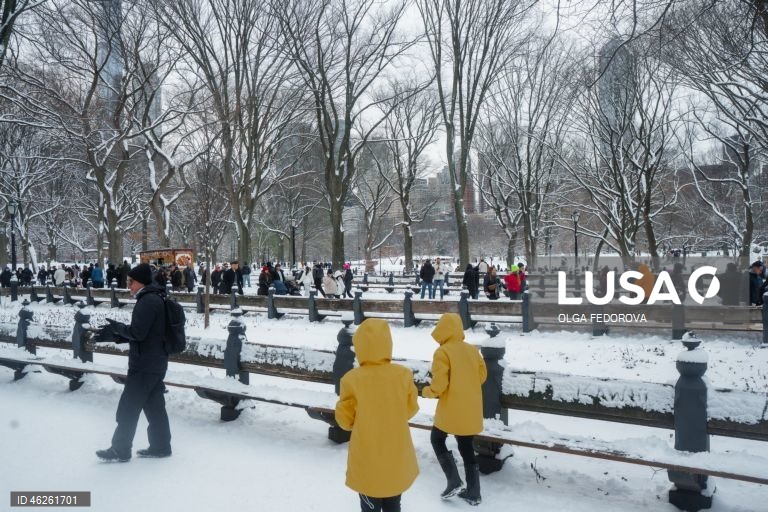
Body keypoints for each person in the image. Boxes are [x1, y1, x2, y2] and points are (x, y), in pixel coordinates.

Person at [335, 319, 419, 512]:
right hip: (396, 454)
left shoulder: (352, 379)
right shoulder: (403, 375)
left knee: (370, 504)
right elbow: (410, 409)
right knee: (393, 503)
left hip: (367, 457)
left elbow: (345, 421)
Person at [93, 263, 172, 462]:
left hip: (144, 365)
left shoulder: (147, 301)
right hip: (155, 362)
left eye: (131, 282)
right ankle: (161, 446)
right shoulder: (156, 298)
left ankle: (120, 449)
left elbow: (138, 332)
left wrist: (117, 329)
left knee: (129, 407)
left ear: (141, 282)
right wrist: (117, 336)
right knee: (154, 407)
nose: (129, 286)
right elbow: (147, 334)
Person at [422, 313, 487, 505]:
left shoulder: (443, 352)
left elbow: (439, 385)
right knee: (466, 446)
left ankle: (454, 480)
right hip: (471, 407)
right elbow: (482, 375)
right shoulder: (472, 350)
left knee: (437, 438)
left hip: (451, 407)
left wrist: (427, 391)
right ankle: (474, 492)